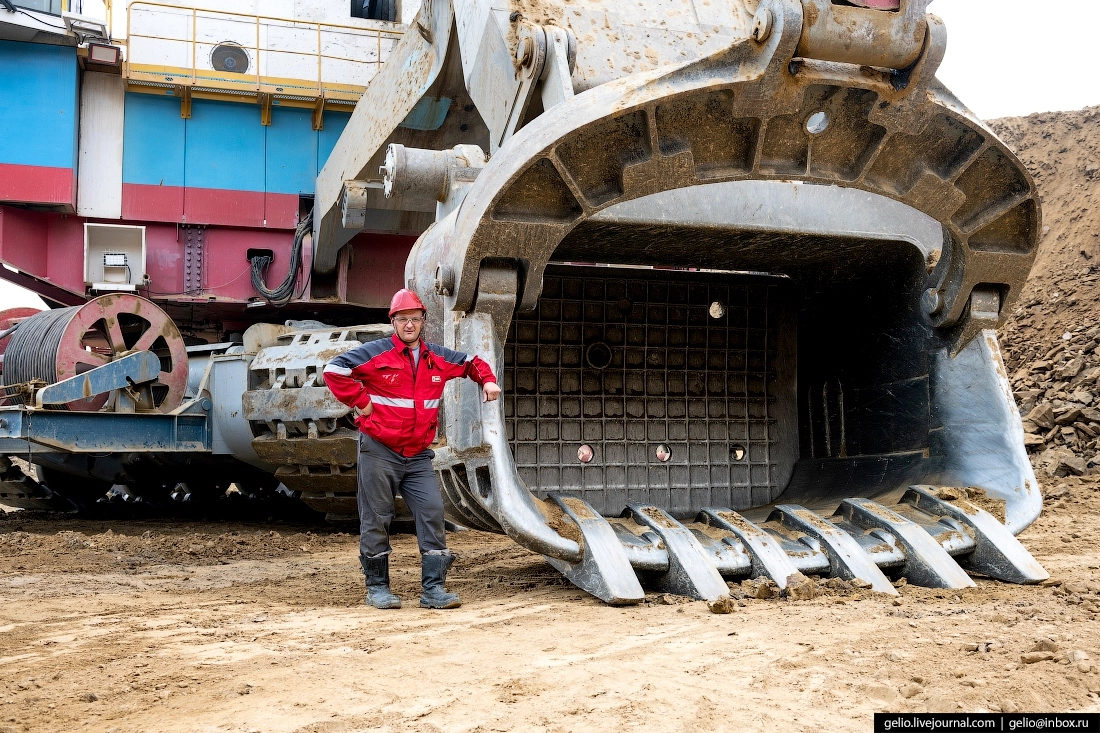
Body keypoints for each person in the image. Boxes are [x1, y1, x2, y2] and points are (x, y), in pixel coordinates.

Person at [323, 289, 500, 609]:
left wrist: (487, 381)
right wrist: (360, 402)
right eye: (402, 319)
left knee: (432, 512)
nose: (409, 325)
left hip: (418, 455)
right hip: (380, 450)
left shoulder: (436, 357)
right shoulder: (375, 353)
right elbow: (334, 370)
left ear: (423, 321)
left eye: (414, 319)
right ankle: (378, 588)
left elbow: (471, 362)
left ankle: (433, 590)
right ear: (393, 321)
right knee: (377, 517)